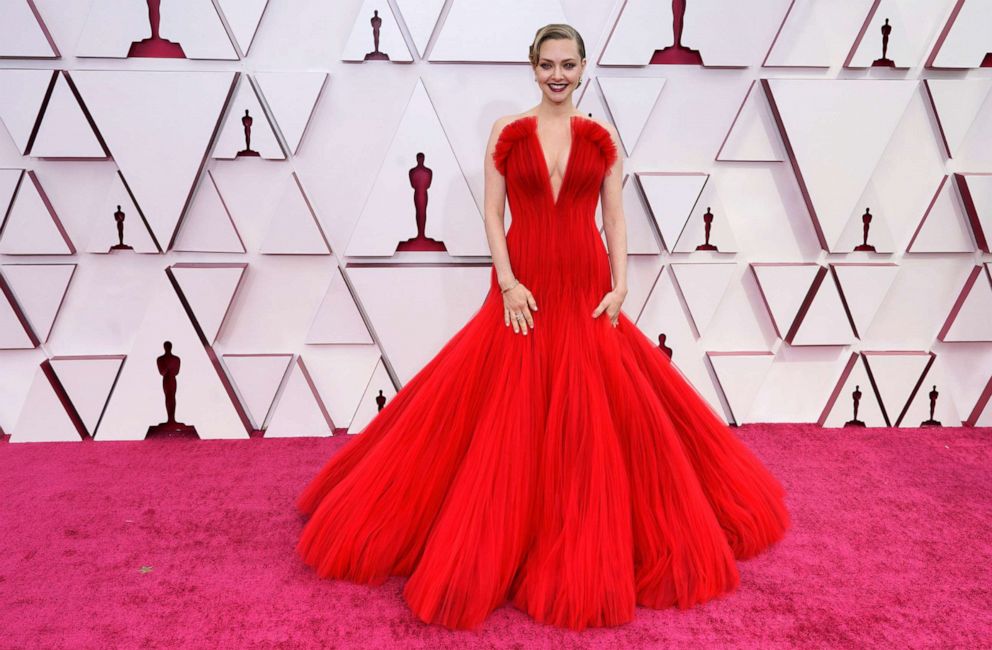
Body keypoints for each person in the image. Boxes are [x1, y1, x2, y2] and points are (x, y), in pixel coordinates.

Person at [296, 23, 790, 631]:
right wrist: (506, 282)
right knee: (508, 415)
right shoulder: (507, 135)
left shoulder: (602, 138)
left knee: (595, 419)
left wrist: (621, 283)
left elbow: (613, 216)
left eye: (569, 64)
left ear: (584, 68)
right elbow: (492, 213)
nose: (558, 74)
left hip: (584, 287)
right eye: (548, 64)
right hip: (523, 289)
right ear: (533, 67)